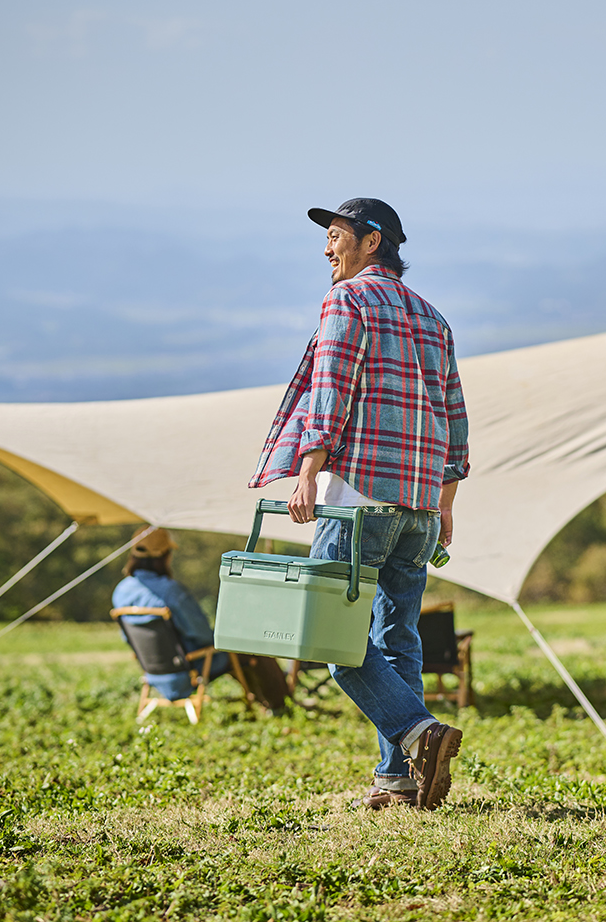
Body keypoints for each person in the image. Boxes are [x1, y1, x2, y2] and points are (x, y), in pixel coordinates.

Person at [250, 197, 469, 810]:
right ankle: (399, 780)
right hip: (420, 505)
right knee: (398, 639)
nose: (327, 247)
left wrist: (307, 472)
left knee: (326, 637)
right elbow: (454, 414)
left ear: (373, 242)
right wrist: (446, 503)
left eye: (337, 234)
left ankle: (420, 732)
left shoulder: (347, 300)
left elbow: (331, 389)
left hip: (359, 498)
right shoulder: (434, 317)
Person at [112, 527, 235, 701]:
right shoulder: (172, 591)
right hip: (188, 669)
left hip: (153, 671)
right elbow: (203, 634)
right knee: (243, 652)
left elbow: (128, 638)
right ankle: (269, 702)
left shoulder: (120, 591)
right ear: (165, 556)